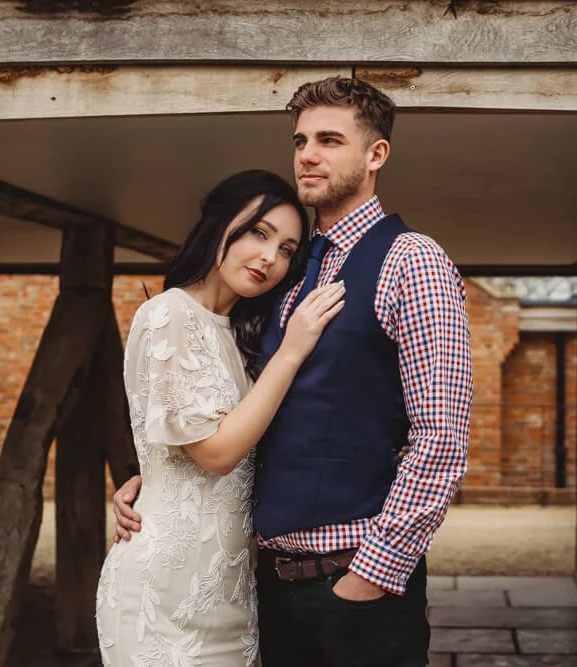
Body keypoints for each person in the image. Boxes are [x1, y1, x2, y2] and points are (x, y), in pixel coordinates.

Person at [113, 77, 473, 667]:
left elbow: (441, 437)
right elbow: (235, 405)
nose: (308, 154)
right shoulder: (289, 273)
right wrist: (155, 480)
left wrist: (371, 576)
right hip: (268, 588)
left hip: (354, 585)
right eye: (301, 139)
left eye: (330, 140)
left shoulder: (413, 261)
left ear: (375, 154)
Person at [95, 169, 347, 666]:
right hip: (164, 593)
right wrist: (293, 351)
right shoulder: (168, 314)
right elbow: (217, 452)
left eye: (287, 250)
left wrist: (148, 476)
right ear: (219, 224)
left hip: (233, 594)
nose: (269, 258)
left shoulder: (239, 336)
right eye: (259, 233)